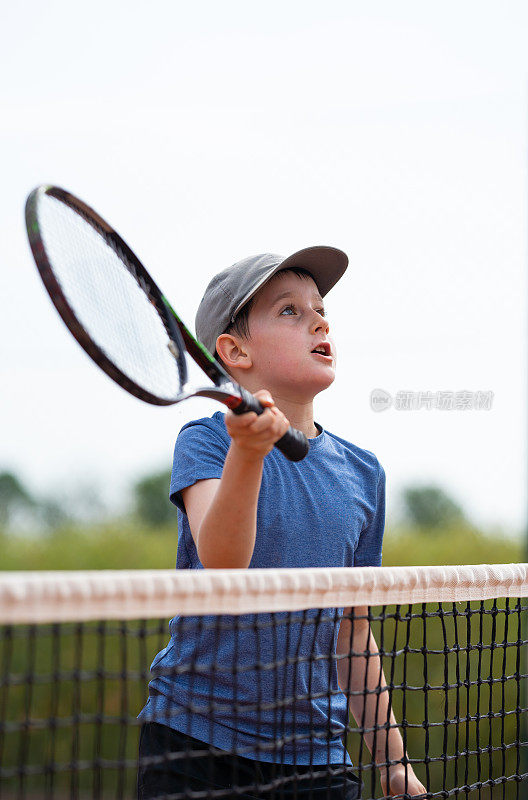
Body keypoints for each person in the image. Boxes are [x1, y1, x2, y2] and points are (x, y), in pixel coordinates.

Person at [137, 247, 426, 799]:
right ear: (234, 351)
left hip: (317, 757)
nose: (319, 320)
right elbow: (223, 561)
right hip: (194, 743)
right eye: (289, 311)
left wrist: (392, 762)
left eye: (320, 310)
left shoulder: (365, 475)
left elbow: (353, 632)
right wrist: (247, 453)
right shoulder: (206, 442)